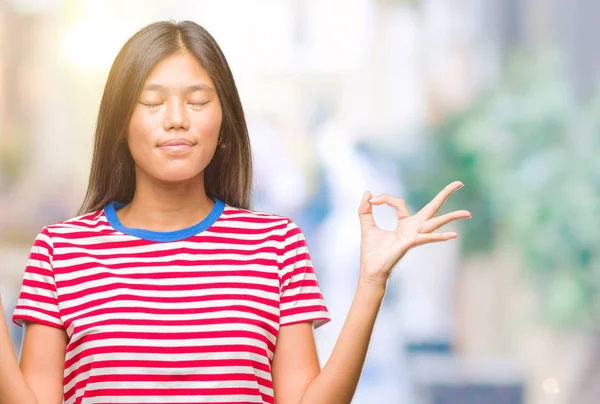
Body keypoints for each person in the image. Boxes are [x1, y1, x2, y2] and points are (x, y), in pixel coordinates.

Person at [0, 20, 470, 404]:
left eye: (198, 101)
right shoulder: (62, 249)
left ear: (223, 123)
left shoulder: (276, 245)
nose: (177, 117)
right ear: (122, 122)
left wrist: (371, 283)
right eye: (152, 101)